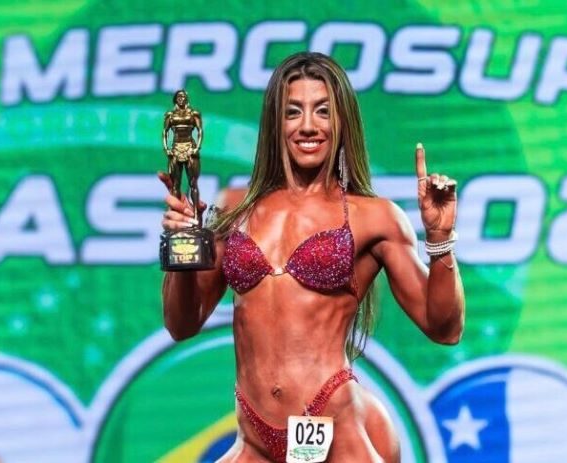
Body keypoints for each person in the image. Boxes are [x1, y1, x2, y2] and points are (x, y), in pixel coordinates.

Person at [159, 52, 464, 462]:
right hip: (254, 437)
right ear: (276, 123)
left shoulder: (374, 218)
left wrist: (440, 238)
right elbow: (182, 323)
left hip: (334, 428)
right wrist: (181, 243)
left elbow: (445, 328)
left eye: (323, 111)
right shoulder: (233, 209)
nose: (307, 126)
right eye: (293, 112)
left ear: (342, 122)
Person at [163, 89, 204, 226]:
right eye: (179, 97)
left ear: (186, 98)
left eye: (183, 96)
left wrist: (197, 148)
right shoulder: (170, 115)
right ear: (175, 99)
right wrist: (167, 149)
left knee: (193, 183)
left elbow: (200, 131)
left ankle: (196, 215)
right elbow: (164, 133)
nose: (181, 99)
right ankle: (175, 214)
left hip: (190, 147)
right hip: (176, 148)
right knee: (175, 184)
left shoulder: (193, 114)